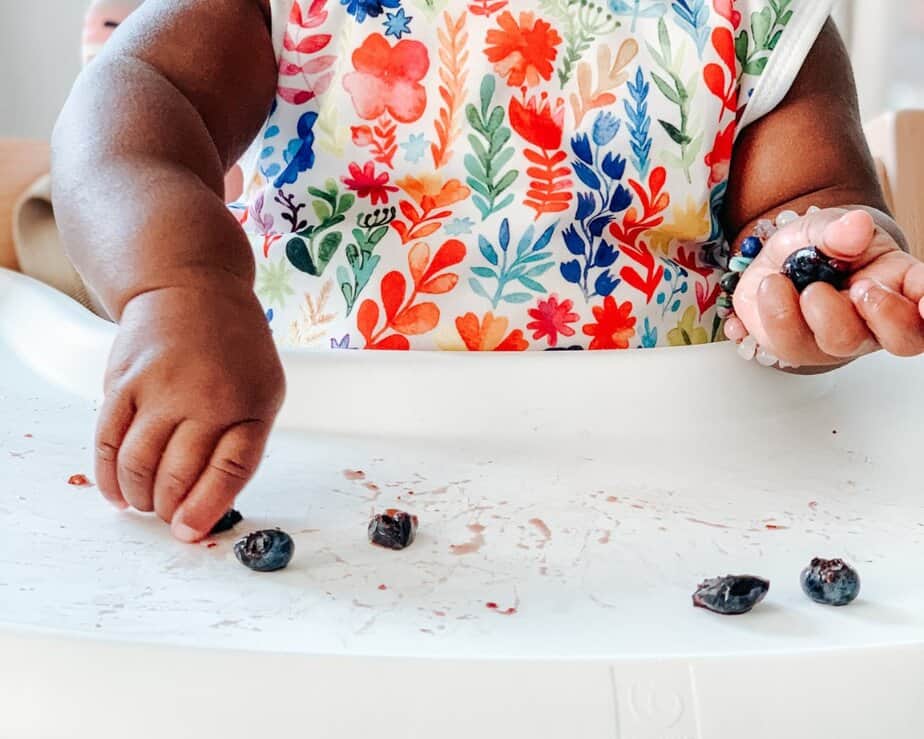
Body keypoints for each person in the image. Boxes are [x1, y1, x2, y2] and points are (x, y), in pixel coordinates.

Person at [50, 0, 924, 542]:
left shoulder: (759, 18)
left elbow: (809, 206)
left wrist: (814, 276)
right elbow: (130, 116)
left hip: (669, 506)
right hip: (325, 489)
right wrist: (180, 284)